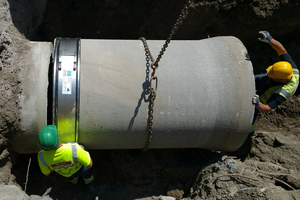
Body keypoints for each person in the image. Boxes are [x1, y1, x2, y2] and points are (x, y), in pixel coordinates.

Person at [252, 31, 299, 127]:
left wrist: (258, 104)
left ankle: (249, 132)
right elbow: (282, 50)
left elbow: (268, 108)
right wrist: (270, 39)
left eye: (272, 75)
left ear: (280, 80)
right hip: (268, 82)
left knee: (251, 114)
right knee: (249, 79)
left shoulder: (283, 93)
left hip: (264, 97)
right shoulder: (290, 69)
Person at [37, 125, 97, 195]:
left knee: (71, 178)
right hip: (80, 170)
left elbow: (47, 173)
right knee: (87, 173)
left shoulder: (41, 156)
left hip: (65, 174)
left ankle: (75, 183)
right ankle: (89, 184)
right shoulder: (74, 149)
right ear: (58, 138)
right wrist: (82, 151)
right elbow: (90, 164)